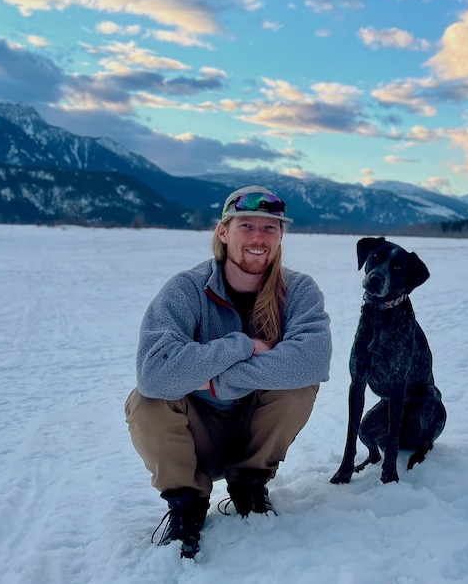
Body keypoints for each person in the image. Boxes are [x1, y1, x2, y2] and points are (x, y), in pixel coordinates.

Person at [125, 185, 332, 559]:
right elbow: (154, 373)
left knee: (299, 386)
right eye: (246, 225)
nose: (258, 237)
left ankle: (248, 486)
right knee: (146, 402)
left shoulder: (298, 290)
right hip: (195, 434)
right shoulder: (186, 290)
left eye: (270, 227)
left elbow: (311, 360)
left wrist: (219, 381)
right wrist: (241, 345)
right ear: (223, 232)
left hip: (254, 428)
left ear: (281, 235)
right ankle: (187, 504)